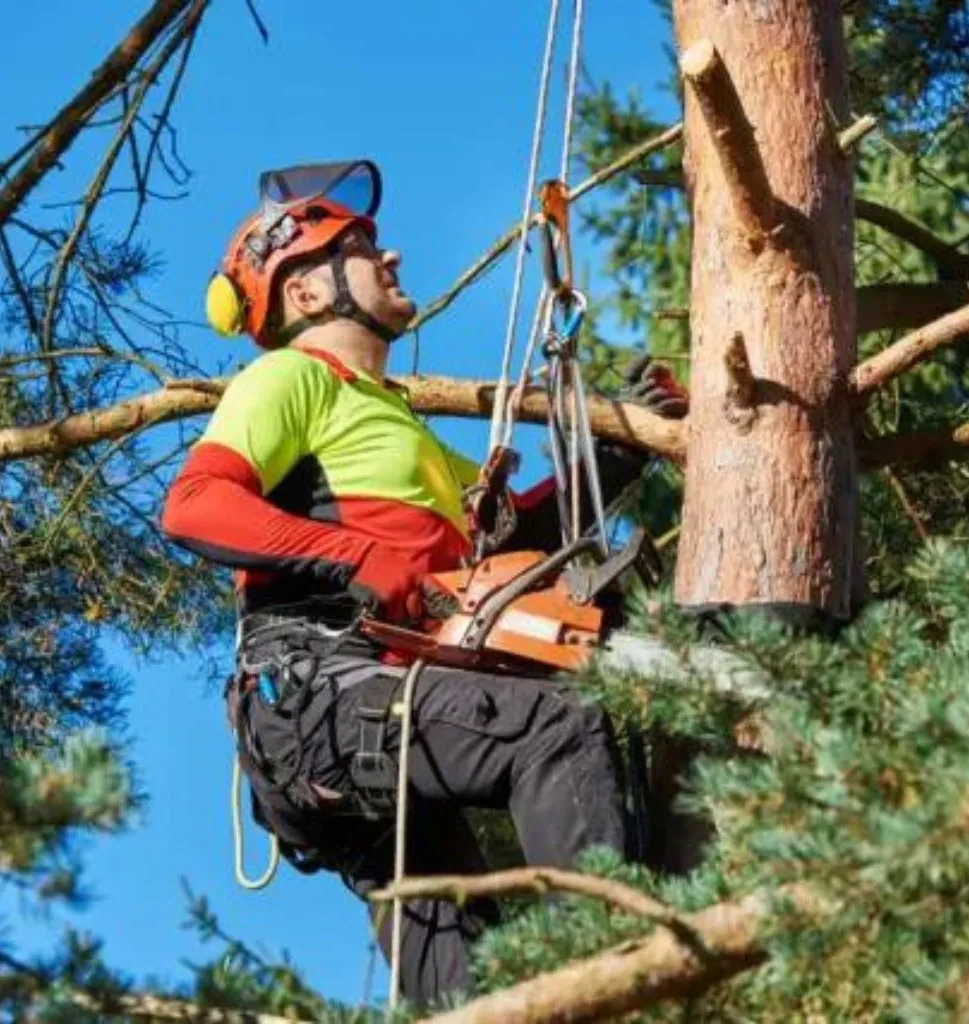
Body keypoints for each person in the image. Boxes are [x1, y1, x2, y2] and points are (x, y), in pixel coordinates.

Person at [161, 161, 688, 1006]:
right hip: (321, 692)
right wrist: (353, 558)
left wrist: (618, 450)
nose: (393, 255)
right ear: (304, 295)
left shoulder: (400, 430)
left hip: (371, 718)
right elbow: (194, 505)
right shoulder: (295, 378)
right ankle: (616, 981)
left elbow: (514, 537)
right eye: (362, 247)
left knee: (469, 992)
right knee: (555, 729)